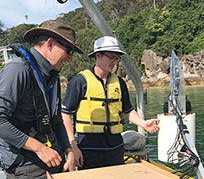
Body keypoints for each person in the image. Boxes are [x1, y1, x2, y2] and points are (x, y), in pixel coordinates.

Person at [0, 20, 83, 179]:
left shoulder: (51, 77)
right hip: (26, 168)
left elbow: (56, 121)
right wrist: (39, 148)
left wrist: (69, 150)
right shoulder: (17, 70)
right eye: (68, 51)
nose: (70, 59)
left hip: (53, 161)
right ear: (50, 44)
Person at [62, 36, 159, 169]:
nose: (115, 62)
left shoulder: (119, 83)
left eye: (117, 58)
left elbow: (128, 110)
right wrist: (73, 147)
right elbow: (65, 114)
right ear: (98, 56)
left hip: (116, 148)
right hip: (89, 149)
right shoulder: (79, 81)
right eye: (111, 57)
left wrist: (143, 123)